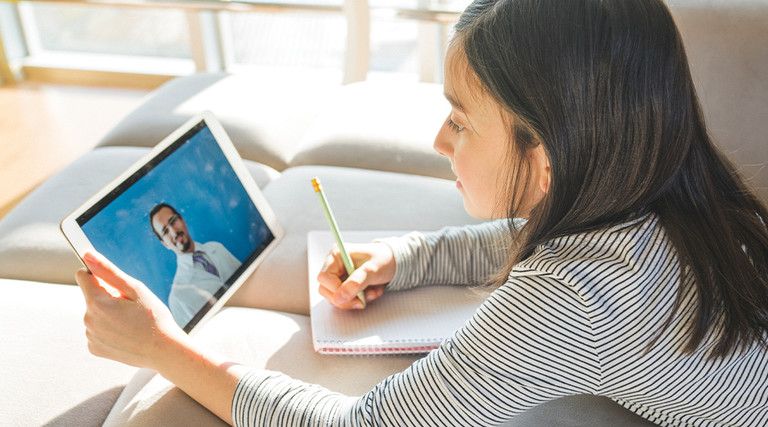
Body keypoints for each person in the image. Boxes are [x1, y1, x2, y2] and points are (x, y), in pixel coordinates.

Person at [76, 0, 768, 425]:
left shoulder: (575, 298)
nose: (439, 141)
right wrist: (406, 257)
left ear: (546, 158)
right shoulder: (661, 179)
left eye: (461, 122)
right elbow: (520, 238)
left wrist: (161, 347)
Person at [149, 203, 242, 326]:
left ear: (183, 221)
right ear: (164, 244)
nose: (174, 231)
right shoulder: (177, 297)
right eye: (166, 231)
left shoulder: (216, 247)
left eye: (173, 221)